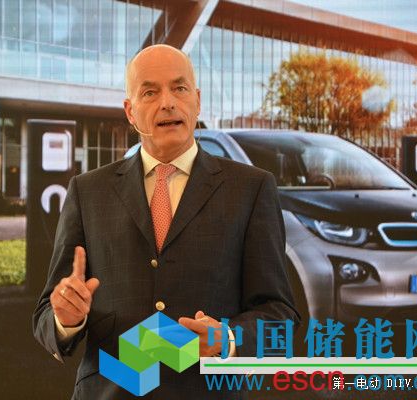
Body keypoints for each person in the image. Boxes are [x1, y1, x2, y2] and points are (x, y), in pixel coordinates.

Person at [33, 44, 299, 399]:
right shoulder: (88, 191)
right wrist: (66, 319)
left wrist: (227, 339)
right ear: (130, 111)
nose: (168, 103)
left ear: (197, 101)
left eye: (179, 88)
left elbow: (280, 315)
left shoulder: (251, 189)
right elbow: (46, 316)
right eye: (149, 92)